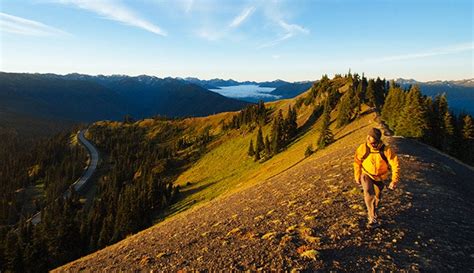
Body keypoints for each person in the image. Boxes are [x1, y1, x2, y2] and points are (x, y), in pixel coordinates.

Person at [353, 127, 399, 228]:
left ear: (378, 140)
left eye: (373, 142)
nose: (370, 143)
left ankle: (374, 210)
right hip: (366, 174)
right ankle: (372, 218)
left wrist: (394, 180)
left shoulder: (386, 150)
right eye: (368, 140)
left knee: (377, 198)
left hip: (380, 178)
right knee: (369, 193)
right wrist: (357, 175)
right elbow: (357, 162)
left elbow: (395, 164)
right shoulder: (363, 148)